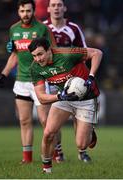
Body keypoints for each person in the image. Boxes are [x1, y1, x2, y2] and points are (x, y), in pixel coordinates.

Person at [28, 37, 102, 173]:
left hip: (87, 98)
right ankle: (47, 168)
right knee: (48, 133)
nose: (37, 59)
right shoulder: (35, 68)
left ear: (49, 50)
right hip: (64, 97)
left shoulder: (66, 54)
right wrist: (59, 96)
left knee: (82, 144)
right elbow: (41, 97)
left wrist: (91, 76)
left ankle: (90, 130)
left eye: (40, 54)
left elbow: (97, 53)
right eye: (34, 56)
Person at [0, 0, 55, 164]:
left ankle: (54, 155)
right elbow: (14, 55)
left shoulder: (42, 28)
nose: (25, 14)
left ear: (34, 11)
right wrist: (4, 74)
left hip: (40, 81)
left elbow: (52, 52)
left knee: (45, 122)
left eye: (28, 11)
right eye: (22, 11)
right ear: (18, 12)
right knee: (24, 121)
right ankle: (27, 158)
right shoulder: (13, 29)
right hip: (21, 82)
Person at [43, 0, 87, 162]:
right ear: (48, 8)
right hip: (52, 78)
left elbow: (84, 52)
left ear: (64, 8)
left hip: (73, 78)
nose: (56, 8)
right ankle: (58, 151)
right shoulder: (42, 28)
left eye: (59, 5)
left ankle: (82, 152)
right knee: (52, 118)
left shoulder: (74, 28)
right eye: (53, 5)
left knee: (77, 115)